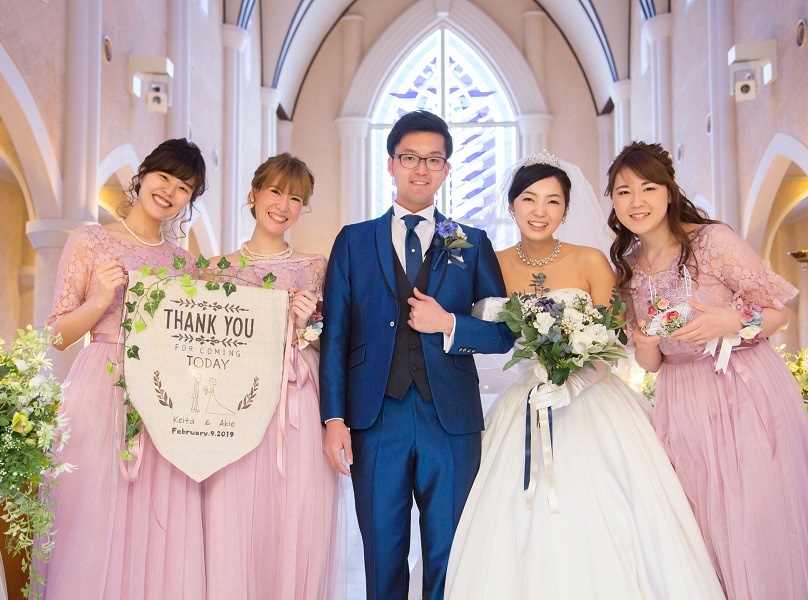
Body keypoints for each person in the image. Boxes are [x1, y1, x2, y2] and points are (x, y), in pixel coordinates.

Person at [444, 152, 726, 599]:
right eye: (529, 199)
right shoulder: (491, 265)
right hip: (525, 401)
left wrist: (573, 382)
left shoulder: (591, 260)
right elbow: (484, 333)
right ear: (512, 205)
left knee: (610, 508)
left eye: (553, 201)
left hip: (593, 397)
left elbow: (616, 338)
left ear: (566, 210)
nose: (540, 211)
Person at [607, 141, 808, 600]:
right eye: (623, 191)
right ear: (613, 202)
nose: (636, 201)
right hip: (681, 400)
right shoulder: (627, 270)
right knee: (701, 528)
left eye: (648, 188)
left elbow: (779, 313)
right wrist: (645, 344)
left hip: (744, 386)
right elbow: (651, 364)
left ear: (668, 191)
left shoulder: (711, 241)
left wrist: (732, 321)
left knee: (757, 521)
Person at [319, 110, 514, 600]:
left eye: (433, 159)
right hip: (374, 418)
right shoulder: (353, 241)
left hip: (450, 419)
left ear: (446, 169)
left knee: (449, 553)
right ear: (391, 164)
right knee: (381, 553)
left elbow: (504, 332)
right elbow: (336, 336)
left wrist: (449, 323)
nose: (421, 169)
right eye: (410, 158)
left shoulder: (472, 243)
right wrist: (334, 418)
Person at [41, 139, 208, 599]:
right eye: (163, 177)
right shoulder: (90, 240)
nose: (169, 191)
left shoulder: (186, 265)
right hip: (100, 387)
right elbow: (57, 335)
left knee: (158, 521)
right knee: (93, 513)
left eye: (183, 186)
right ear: (143, 175)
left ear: (190, 199)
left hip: (163, 397)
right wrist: (99, 300)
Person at [202, 153, 343, 599]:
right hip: (232, 405)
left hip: (296, 401)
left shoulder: (315, 266)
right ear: (254, 194)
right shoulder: (214, 269)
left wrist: (305, 325)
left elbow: (331, 341)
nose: (283, 205)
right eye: (276, 191)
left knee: (294, 513)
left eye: (295, 198)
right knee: (234, 514)